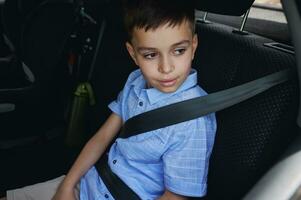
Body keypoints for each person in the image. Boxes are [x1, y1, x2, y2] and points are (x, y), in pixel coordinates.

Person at [2, 0, 216, 199]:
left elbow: (175, 197)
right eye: (150, 55)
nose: (166, 68)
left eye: (179, 51)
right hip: (90, 182)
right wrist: (68, 185)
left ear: (194, 46)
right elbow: (102, 137)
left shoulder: (193, 120)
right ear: (133, 55)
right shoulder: (135, 82)